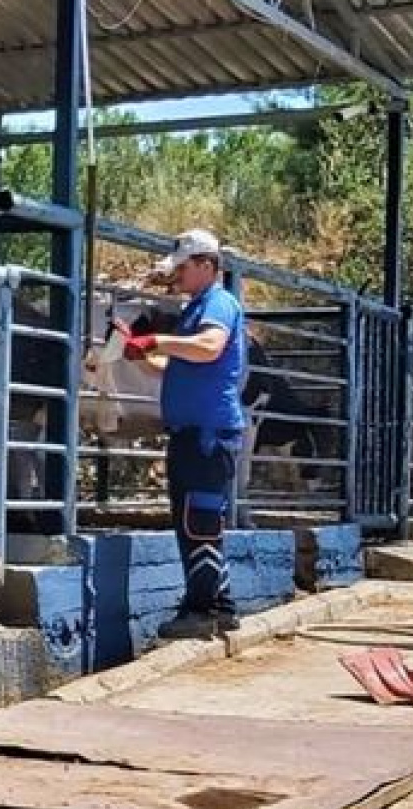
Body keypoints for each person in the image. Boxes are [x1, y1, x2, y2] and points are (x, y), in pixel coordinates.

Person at [113, 228, 248, 640]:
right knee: (197, 519)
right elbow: (172, 369)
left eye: (184, 269)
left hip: (208, 434)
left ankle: (200, 610)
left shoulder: (219, 304)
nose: (178, 277)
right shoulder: (194, 308)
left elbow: (208, 347)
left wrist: (158, 340)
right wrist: (138, 352)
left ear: (208, 266)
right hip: (193, 433)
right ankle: (221, 605)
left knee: (199, 522)